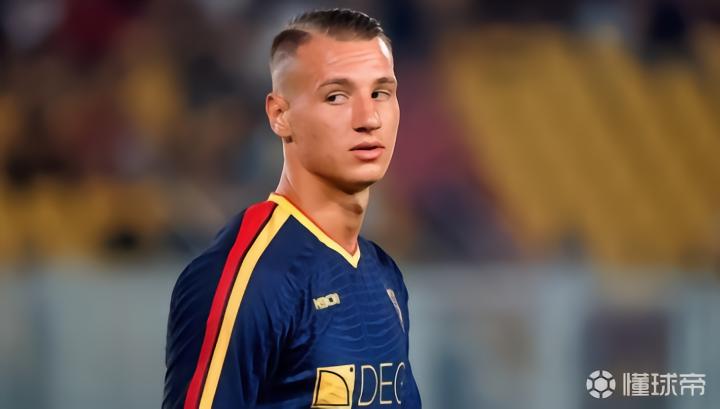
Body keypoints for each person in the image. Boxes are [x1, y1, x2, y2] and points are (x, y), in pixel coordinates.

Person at [163, 8, 421, 408]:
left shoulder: (385, 276)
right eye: (336, 96)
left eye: (380, 93)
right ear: (280, 115)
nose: (368, 118)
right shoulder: (249, 277)